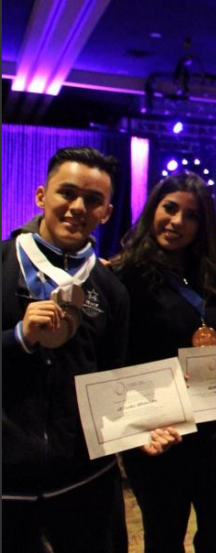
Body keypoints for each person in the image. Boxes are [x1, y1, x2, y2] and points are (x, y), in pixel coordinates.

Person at [2, 147, 174, 552]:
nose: (78, 207)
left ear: (107, 212)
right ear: (42, 196)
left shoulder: (112, 290)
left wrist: (137, 431)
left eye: (93, 200)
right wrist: (17, 337)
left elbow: (112, 378)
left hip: (85, 482)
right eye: (68, 193)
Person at [111, 172, 216, 553]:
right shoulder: (123, 276)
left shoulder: (215, 273)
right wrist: (133, 429)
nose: (177, 222)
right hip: (160, 427)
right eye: (170, 208)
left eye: (192, 215)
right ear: (153, 208)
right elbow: (116, 360)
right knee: (165, 536)